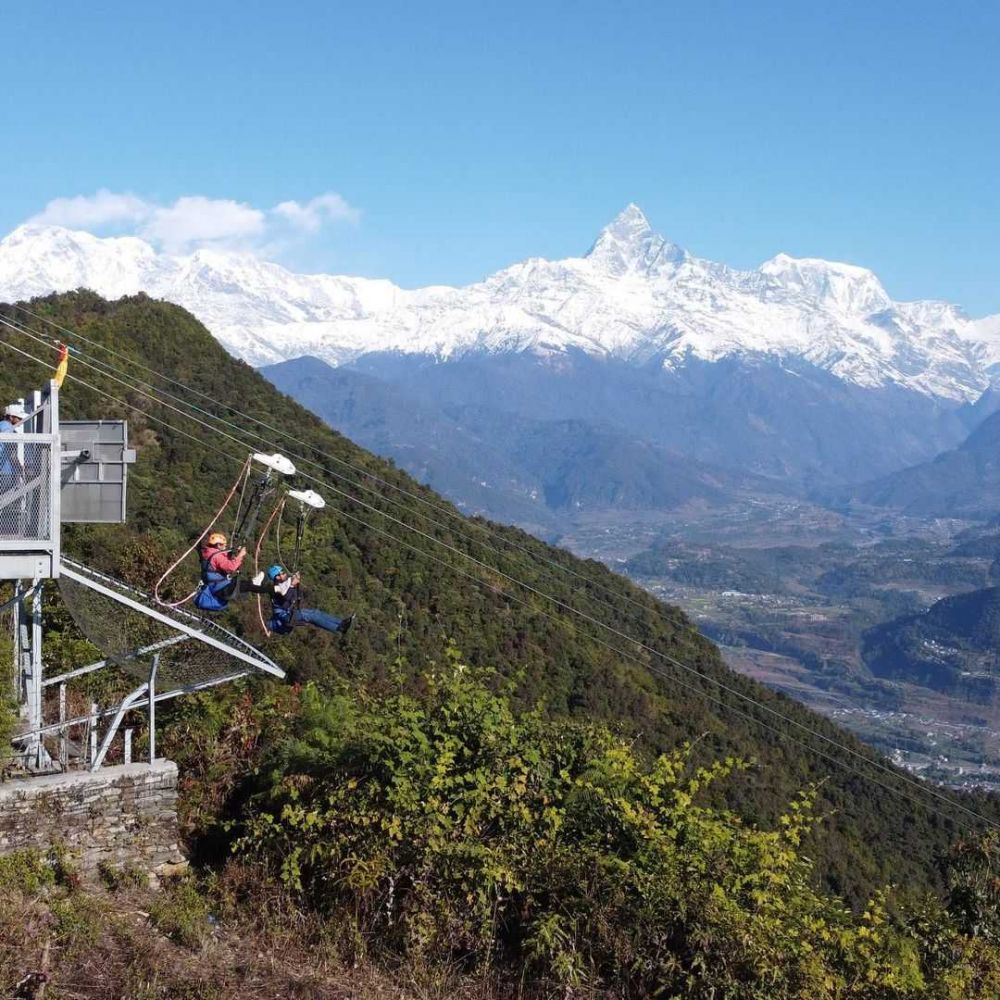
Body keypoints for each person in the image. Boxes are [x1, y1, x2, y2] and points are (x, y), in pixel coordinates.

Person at [264, 564, 355, 636]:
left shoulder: (283, 585)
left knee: (315, 612)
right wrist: (292, 585)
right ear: (277, 577)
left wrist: (295, 585)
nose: (285, 574)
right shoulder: (275, 589)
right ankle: (339, 628)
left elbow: (294, 597)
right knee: (311, 616)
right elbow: (286, 599)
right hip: (285, 617)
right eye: (282, 573)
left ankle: (340, 623)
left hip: (289, 614)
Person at [194, 531, 255, 612]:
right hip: (217, 585)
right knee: (236, 587)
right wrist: (240, 555)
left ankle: (251, 583)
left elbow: (221, 560)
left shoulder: (207, 552)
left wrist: (232, 552)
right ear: (218, 545)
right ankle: (252, 583)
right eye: (224, 544)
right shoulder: (216, 555)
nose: (225, 546)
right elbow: (231, 567)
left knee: (234, 587)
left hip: (212, 583)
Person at [0, 403, 27, 533]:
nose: (21, 420)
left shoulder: (2, 426)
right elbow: (11, 453)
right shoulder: (8, 429)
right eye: (18, 418)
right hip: (4, 471)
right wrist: (20, 467)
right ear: (11, 417)